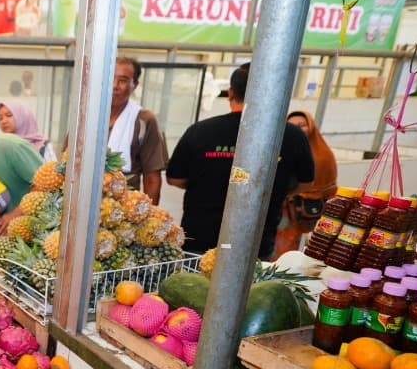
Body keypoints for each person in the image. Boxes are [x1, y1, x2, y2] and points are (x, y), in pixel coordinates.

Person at [167, 63, 315, 259]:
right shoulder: (291, 135)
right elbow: (307, 182)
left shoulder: (201, 131)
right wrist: (273, 190)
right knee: (250, 289)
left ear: (230, 92)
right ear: (270, 92)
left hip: (200, 240)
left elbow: (174, 178)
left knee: (192, 286)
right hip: (255, 241)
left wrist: (207, 184)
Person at [274, 109, 337, 258]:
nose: (297, 129)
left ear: (311, 126)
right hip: (285, 210)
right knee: (282, 249)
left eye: (302, 125)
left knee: (311, 247)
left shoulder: (323, 154)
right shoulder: (281, 149)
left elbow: (329, 185)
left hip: (312, 211)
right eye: (292, 125)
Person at [108, 57, 167, 204]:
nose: (115, 85)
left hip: (124, 209)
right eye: (110, 78)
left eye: (122, 80)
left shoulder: (144, 121)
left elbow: (152, 178)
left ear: (135, 85)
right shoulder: (87, 116)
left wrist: (148, 217)